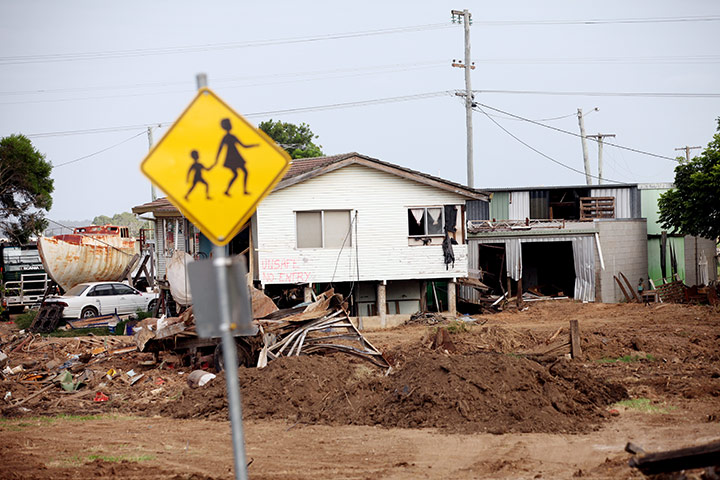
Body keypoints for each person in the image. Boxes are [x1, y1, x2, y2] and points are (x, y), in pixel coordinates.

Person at [212, 118, 258, 196]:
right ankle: (237, 190)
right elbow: (220, 149)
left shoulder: (230, 136)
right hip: (232, 158)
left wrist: (255, 145)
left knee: (240, 173)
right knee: (241, 173)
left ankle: (236, 190)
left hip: (235, 157)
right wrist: (216, 161)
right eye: (229, 124)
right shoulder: (226, 137)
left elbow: (244, 146)